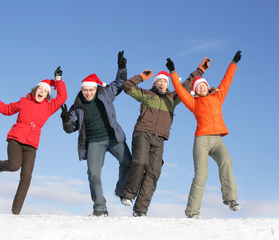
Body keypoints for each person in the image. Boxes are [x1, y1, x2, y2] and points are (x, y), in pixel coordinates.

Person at [120, 57, 210, 217]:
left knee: (154, 171)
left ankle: (140, 209)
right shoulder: (146, 95)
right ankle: (128, 194)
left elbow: (187, 85)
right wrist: (141, 77)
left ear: (168, 84)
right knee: (140, 162)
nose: (162, 83)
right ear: (154, 83)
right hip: (143, 133)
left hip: (160, 138)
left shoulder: (172, 99)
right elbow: (127, 86)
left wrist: (200, 70)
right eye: (159, 81)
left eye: (165, 81)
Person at [0, 66, 67, 215]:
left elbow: (62, 97)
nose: (42, 92)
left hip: (31, 144)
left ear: (47, 95)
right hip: (15, 138)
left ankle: (15, 212)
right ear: (35, 90)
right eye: (40, 89)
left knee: (26, 176)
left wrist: (58, 80)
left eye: (45, 91)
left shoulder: (49, 107)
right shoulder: (24, 102)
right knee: (14, 165)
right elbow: (7, 109)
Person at [165, 51, 242, 219]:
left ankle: (230, 199)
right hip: (201, 140)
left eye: (203, 85)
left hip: (217, 140)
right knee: (201, 175)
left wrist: (234, 62)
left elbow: (227, 80)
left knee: (226, 161)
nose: (201, 86)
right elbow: (179, 89)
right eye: (198, 86)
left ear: (207, 86)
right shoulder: (193, 103)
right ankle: (192, 211)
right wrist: (173, 72)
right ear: (195, 91)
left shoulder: (218, 97)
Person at [60, 51, 132, 217]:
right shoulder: (77, 107)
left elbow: (119, 82)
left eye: (91, 90)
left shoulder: (105, 94)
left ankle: (120, 190)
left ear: (96, 88)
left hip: (114, 138)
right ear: (81, 90)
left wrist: (122, 67)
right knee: (93, 174)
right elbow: (70, 129)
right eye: (85, 90)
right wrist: (65, 120)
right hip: (94, 142)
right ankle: (100, 208)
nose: (88, 93)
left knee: (128, 162)